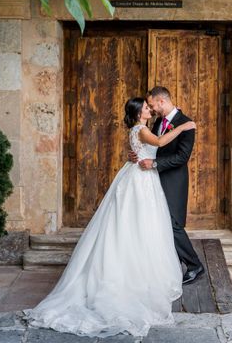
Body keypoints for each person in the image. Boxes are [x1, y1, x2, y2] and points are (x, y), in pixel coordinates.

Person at [24, 97, 196, 338]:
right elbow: (158, 141)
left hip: (142, 177)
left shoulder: (143, 127)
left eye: (150, 106)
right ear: (139, 113)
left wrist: (135, 154)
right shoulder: (143, 129)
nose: (150, 109)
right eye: (147, 108)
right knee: (136, 223)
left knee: (143, 224)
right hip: (140, 181)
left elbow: (146, 147)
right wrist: (182, 127)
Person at [130, 86, 204, 284]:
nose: (151, 109)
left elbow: (182, 157)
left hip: (173, 181)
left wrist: (154, 163)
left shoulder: (185, 124)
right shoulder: (158, 122)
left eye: (152, 105)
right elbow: (154, 146)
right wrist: (139, 154)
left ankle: (194, 265)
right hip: (153, 180)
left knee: (173, 224)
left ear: (161, 101)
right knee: (157, 223)